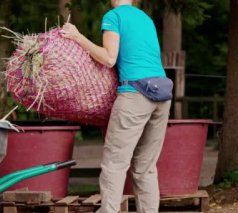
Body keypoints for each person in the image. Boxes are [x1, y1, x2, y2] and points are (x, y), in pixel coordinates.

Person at [60, 0, 171, 212]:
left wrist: (77, 36)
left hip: (135, 95)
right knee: (145, 168)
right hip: (161, 94)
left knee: (114, 165)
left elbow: (109, 58)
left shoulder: (114, 16)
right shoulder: (145, 19)